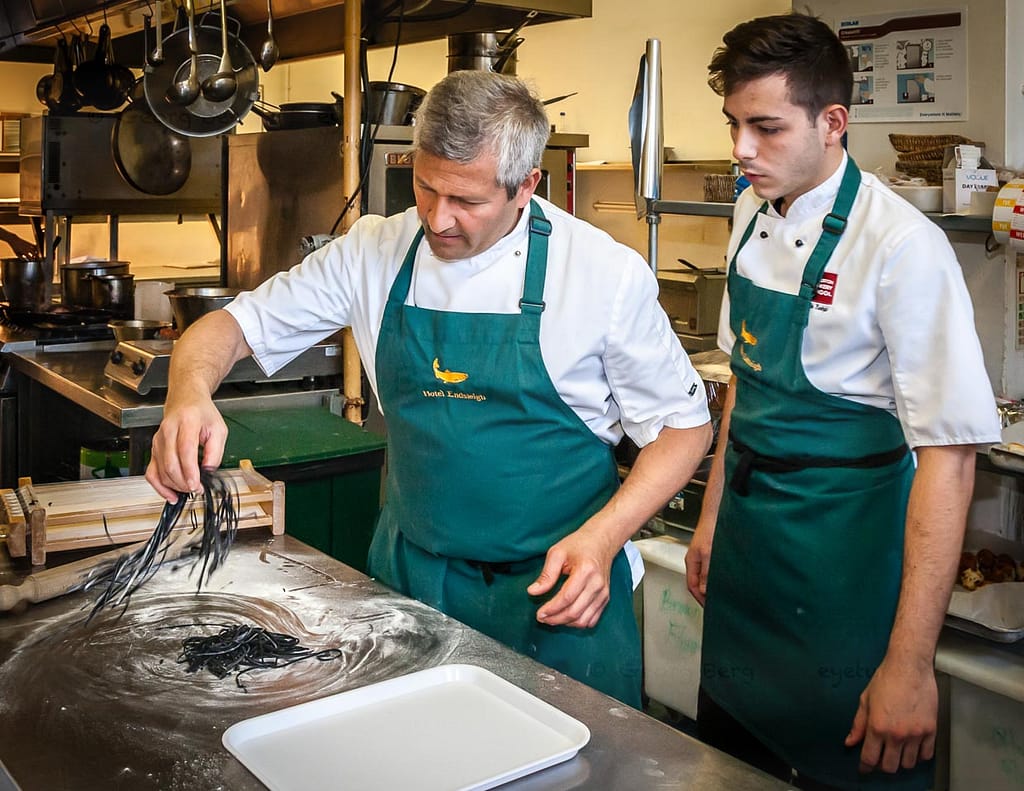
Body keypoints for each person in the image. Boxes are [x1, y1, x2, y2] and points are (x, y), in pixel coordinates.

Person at [146, 70, 713, 707]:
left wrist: (605, 537)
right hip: (409, 583)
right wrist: (188, 396)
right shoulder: (373, 252)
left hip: (559, 596)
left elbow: (684, 428)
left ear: (526, 185)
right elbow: (225, 328)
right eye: (425, 186)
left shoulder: (601, 275)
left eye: (467, 201)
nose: (439, 219)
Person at [684, 12, 1001, 791]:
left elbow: (950, 463)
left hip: (842, 576)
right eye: (733, 125)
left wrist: (910, 663)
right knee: (727, 762)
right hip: (749, 561)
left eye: (764, 127)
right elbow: (744, 384)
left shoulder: (901, 247)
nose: (741, 151)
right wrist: (714, 518)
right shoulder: (749, 212)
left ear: (833, 123)